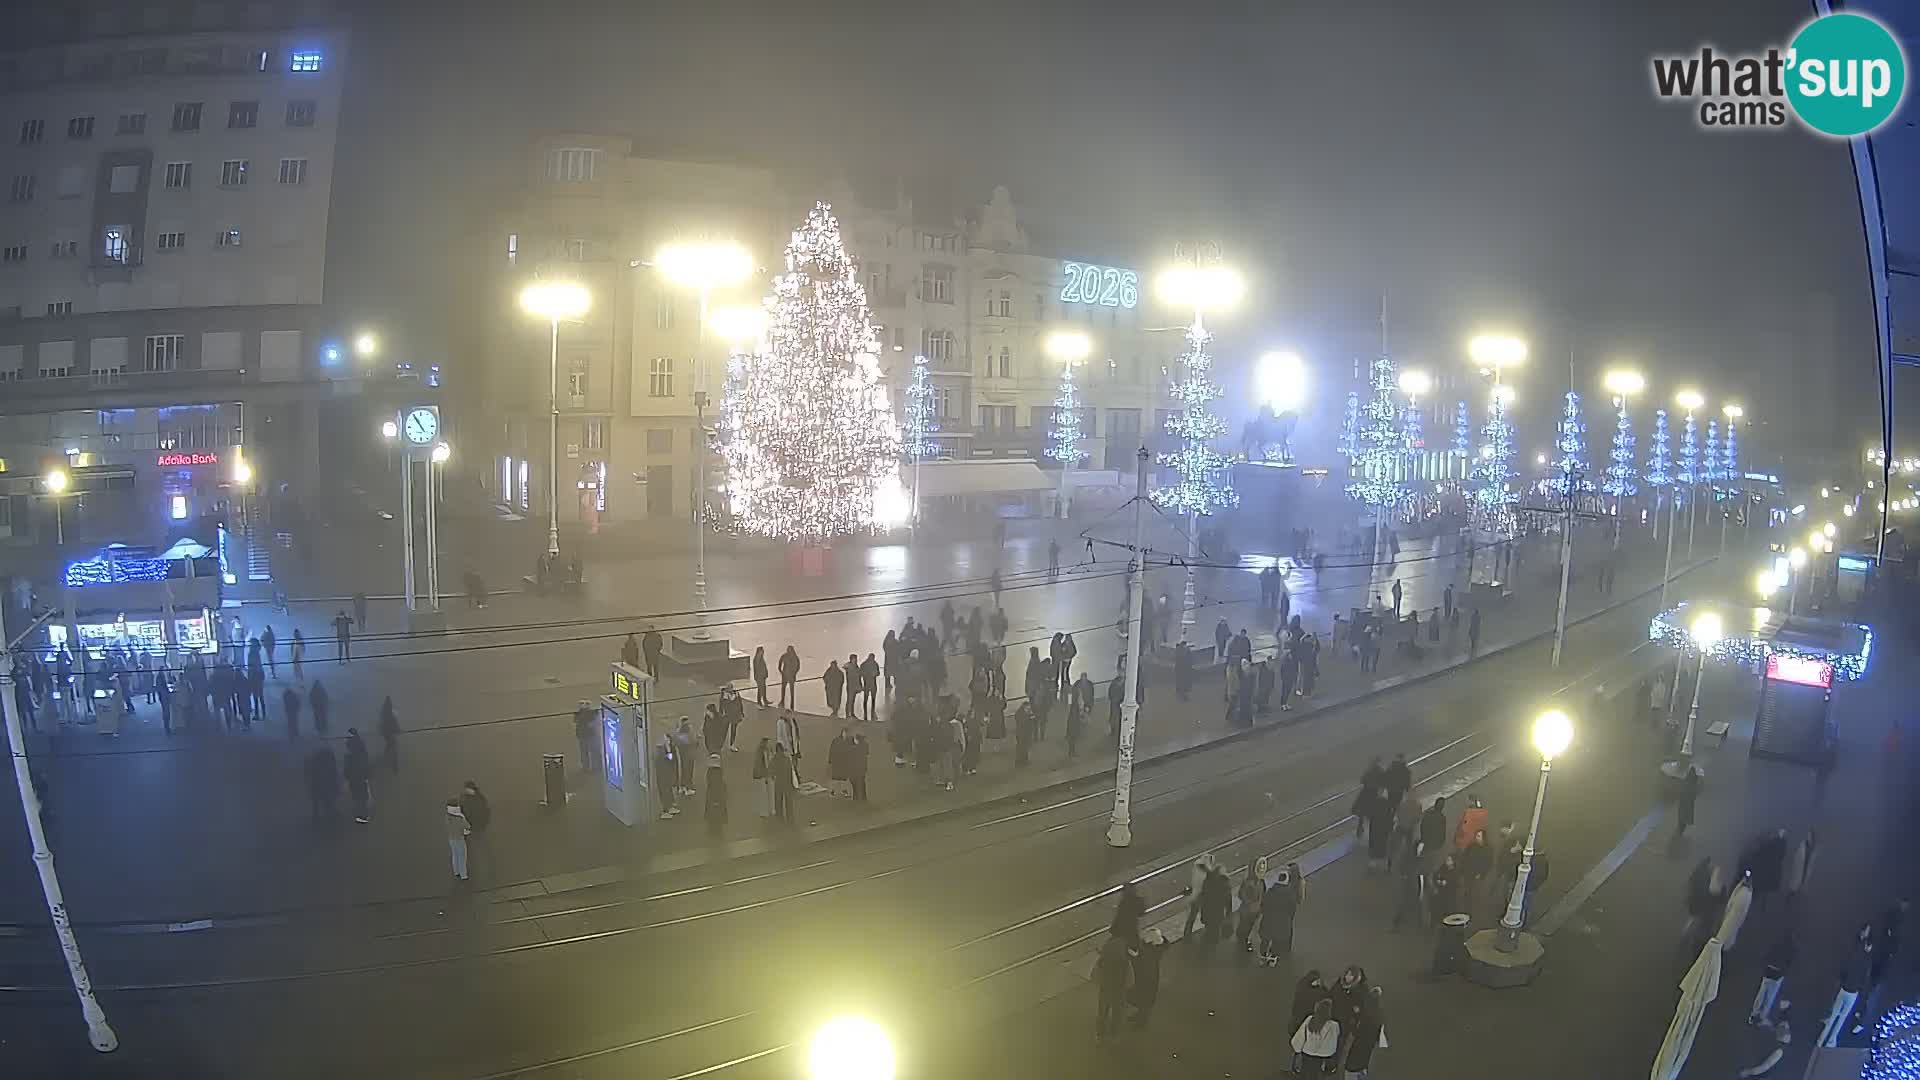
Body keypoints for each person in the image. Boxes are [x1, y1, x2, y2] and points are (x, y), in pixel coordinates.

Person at [1093, 931, 1133, 1042]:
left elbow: (1095, 975)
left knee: (1102, 1012)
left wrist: (1101, 983)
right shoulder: (1125, 963)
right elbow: (1130, 979)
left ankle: (1100, 1034)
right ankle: (1114, 1033)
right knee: (1118, 1013)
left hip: (1106, 990)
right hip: (1120, 991)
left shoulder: (1103, 961)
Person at [1751, 929, 1796, 1025]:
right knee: (1769, 998)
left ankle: (1754, 1014)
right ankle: (1762, 1017)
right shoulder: (1792, 948)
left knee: (1761, 994)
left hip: (1769, 971)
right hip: (1778, 974)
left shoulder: (1777, 943)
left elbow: (1768, 955)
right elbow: (1789, 964)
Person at [1262, 862, 1304, 963]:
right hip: (1285, 916)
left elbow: (1265, 904)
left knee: (1267, 936)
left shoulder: (1271, 891)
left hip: (1272, 917)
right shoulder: (1291, 891)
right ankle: (1275, 955)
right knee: (1282, 933)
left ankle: (1264, 956)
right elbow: (1298, 900)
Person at [1344, 984, 1386, 1079]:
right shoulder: (1378, 1015)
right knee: (1363, 1062)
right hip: (1367, 1051)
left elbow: (1356, 1032)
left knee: (1352, 1068)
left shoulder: (1366, 1016)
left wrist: (1354, 1021)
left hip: (1356, 1056)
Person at [1292, 999, 1342, 1076]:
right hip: (1325, 1059)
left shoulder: (1310, 1020)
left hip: (1307, 1057)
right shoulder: (1334, 1025)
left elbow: (1299, 1039)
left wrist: (1297, 1052)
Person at [1128, 927, 1166, 1030]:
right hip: (1149, 980)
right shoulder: (1156, 949)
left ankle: (1141, 1023)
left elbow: (1141, 965)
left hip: (1146, 980)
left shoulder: (1150, 953)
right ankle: (1140, 1017)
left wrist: (1133, 957)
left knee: (1144, 1001)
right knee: (1144, 1001)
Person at [459, 779, 491, 875]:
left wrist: (484, 822)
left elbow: (485, 810)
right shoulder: (465, 798)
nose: (466, 790)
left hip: (478, 825)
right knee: (471, 845)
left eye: (467, 788)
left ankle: (486, 859)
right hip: (470, 826)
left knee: (480, 842)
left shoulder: (479, 798)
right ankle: (472, 863)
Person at [343, 729, 373, 823]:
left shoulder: (349, 755)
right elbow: (366, 764)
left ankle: (360, 813)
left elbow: (347, 769)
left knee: (357, 796)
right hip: (361, 777)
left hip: (354, 778)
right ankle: (363, 813)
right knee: (363, 797)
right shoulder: (362, 751)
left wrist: (347, 777)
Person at [305, 744, 338, 824]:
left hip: (319, 782)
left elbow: (309, 771)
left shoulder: (316, 756)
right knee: (325, 800)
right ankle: (327, 817)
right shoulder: (326, 754)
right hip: (321, 782)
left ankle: (320, 818)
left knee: (319, 801)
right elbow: (333, 769)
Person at [1235, 866, 1264, 953]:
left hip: (1255, 910)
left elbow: (1262, 895)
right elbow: (1241, 894)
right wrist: (1249, 902)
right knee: (1245, 926)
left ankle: (1245, 940)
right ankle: (1244, 941)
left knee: (1250, 927)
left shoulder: (1261, 882)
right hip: (1248, 909)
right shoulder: (1248, 883)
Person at [444, 798, 471, 884]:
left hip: (451, 838)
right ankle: (464, 875)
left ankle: (456, 872)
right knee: (462, 856)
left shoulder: (447, 817)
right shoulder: (459, 817)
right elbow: (467, 826)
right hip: (459, 838)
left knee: (455, 855)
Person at [1674, 765, 1702, 842]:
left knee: (1682, 815)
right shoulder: (1693, 780)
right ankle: (1680, 829)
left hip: (1686, 799)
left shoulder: (1687, 778)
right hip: (1687, 800)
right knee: (1684, 815)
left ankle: (1680, 830)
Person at [772, 742, 796, 823]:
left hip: (779, 783)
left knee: (779, 801)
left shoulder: (774, 759)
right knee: (788, 802)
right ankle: (789, 818)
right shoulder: (786, 759)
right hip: (786, 783)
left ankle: (780, 817)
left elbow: (772, 771)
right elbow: (790, 772)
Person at [703, 754, 728, 830]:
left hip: (712, 797)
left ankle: (712, 822)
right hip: (718, 798)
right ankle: (717, 822)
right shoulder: (719, 774)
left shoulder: (710, 774)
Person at [574, 700, 599, 773]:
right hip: (586, 735)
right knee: (587, 751)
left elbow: (576, 721)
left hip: (587, 735)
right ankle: (588, 767)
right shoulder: (581, 713)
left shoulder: (581, 713)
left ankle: (591, 767)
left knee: (588, 751)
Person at [378, 696, 401, 772]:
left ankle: (387, 763)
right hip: (389, 733)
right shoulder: (390, 713)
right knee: (393, 747)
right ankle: (394, 767)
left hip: (387, 733)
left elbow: (382, 724)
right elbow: (394, 723)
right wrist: (398, 730)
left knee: (390, 746)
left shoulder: (384, 713)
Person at [858, 654, 880, 720]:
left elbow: (878, 673)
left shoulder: (864, 664)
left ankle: (868, 714)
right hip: (870, 685)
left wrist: (875, 673)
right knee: (868, 700)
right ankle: (868, 714)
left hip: (869, 685)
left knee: (868, 700)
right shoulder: (874, 664)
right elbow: (861, 673)